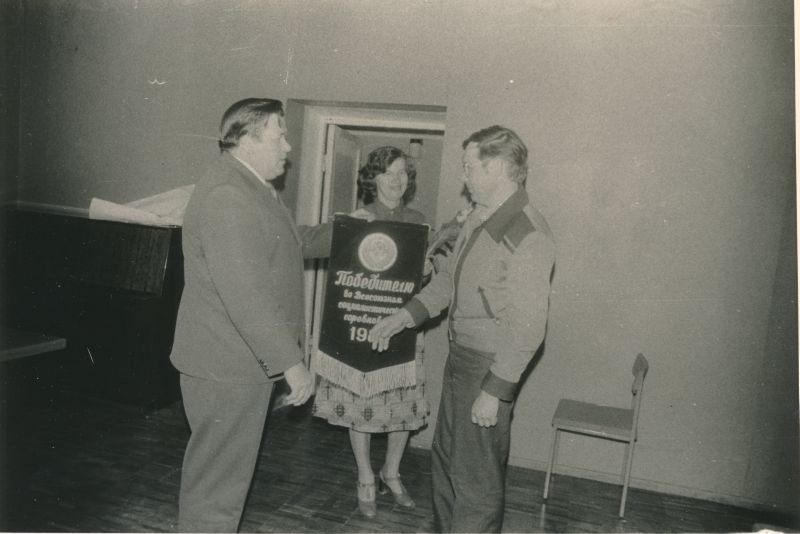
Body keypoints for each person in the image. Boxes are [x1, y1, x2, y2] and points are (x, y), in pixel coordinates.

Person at [170, 98, 372, 532]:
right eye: (279, 133)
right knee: (216, 489)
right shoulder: (228, 195)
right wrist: (291, 364)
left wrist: (347, 229)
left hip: (234, 362)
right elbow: (246, 294)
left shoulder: (252, 187)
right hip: (226, 366)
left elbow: (289, 242)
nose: (288, 144)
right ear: (246, 139)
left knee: (222, 481)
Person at [369, 126, 556, 533]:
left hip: (488, 367)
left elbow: (528, 327)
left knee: (476, 480)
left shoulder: (527, 233)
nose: (464, 177)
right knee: (447, 462)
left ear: (501, 168)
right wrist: (405, 316)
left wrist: (494, 390)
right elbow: (448, 280)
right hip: (460, 359)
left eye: (470, 168)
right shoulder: (478, 218)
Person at [312, 146, 430, 519]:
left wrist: (426, 266)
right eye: (389, 173)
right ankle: (365, 476)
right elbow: (341, 274)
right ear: (372, 179)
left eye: (403, 174)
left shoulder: (417, 220)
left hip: (403, 327)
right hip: (361, 327)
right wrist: (345, 229)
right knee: (362, 405)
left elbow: (423, 279)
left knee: (402, 406)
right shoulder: (357, 219)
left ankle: (391, 472)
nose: (398, 181)